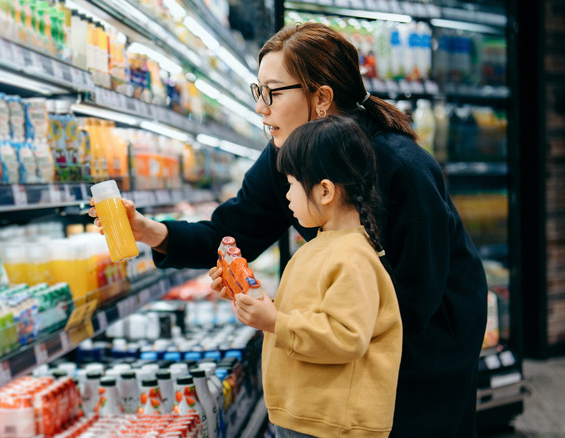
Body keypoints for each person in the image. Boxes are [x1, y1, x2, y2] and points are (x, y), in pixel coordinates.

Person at [89, 22, 487, 437]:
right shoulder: (286, 155)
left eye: (273, 93)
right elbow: (230, 231)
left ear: (321, 98)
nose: (262, 108)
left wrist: (292, 320)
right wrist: (149, 230)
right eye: (258, 91)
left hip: (429, 340)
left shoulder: (402, 167)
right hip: (348, 332)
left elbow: (415, 297)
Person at [234, 115, 402, 437]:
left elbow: (345, 336)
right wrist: (260, 304)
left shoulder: (352, 258)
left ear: (324, 190)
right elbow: (309, 313)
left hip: (332, 425)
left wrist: (275, 322)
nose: (286, 196)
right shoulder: (320, 247)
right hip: (306, 416)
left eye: (292, 184)